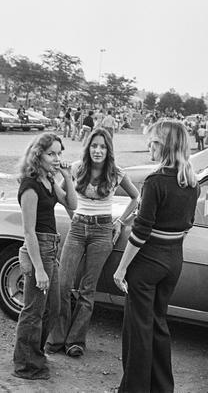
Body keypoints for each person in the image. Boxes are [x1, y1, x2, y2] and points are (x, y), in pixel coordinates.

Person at [113, 120, 200, 393]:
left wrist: (121, 268)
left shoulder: (155, 181)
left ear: (162, 145)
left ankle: (133, 389)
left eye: (152, 141)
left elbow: (140, 232)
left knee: (138, 329)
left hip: (148, 262)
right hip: (174, 260)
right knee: (159, 325)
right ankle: (162, 388)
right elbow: (188, 225)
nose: (148, 146)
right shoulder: (191, 182)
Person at [46, 128, 139, 358]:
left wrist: (120, 221)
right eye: (94, 146)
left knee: (88, 289)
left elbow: (136, 197)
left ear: (109, 150)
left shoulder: (116, 172)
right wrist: (72, 214)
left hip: (102, 231)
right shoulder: (77, 167)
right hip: (77, 228)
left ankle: (75, 341)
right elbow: (63, 195)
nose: (98, 150)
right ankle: (57, 338)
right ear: (88, 147)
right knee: (64, 284)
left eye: (103, 147)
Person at [12, 133, 77, 380]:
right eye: (51, 153)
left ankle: (35, 353)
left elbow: (72, 203)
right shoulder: (30, 186)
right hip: (38, 247)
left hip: (51, 247)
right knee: (33, 311)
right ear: (38, 155)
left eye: (59, 153)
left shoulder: (48, 179)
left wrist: (67, 177)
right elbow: (28, 231)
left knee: (54, 306)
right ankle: (26, 365)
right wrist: (38, 269)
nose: (57, 158)